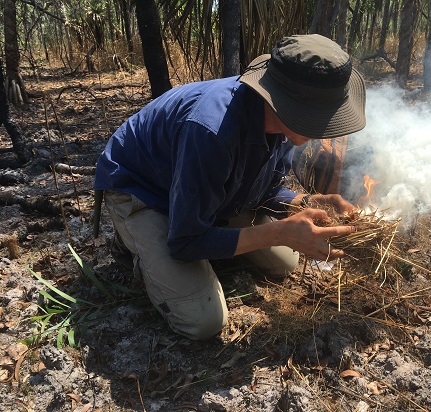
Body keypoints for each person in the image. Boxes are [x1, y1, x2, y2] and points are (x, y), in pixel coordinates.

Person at [94, 34, 366, 340]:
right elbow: (185, 242)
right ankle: (133, 238)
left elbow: (265, 190)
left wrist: (309, 202)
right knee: (203, 320)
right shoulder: (211, 131)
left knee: (285, 264)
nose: (324, 128)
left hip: (204, 190)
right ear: (285, 105)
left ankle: (198, 221)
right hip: (144, 188)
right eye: (319, 118)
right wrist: (280, 232)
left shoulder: (282, 125)